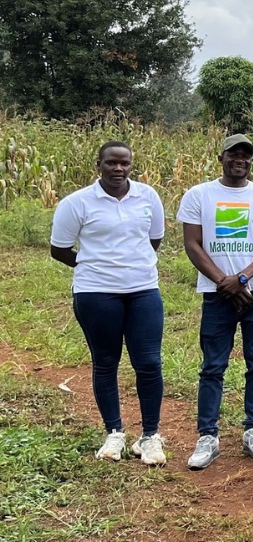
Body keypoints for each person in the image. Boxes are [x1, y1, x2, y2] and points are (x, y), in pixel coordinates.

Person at [50, 141, 168, 465]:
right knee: (105, 361)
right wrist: (94, 265)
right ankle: (114, 433)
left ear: (132, 165)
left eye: (124, 163)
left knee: (149, 362)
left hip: (143, 290)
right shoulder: (78, 203)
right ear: (98, 164)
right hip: (95, 293)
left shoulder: (148, 198)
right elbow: (59, 249)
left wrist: (130, 265)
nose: (118, 168)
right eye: (111, 163)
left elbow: (153, 239)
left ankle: (150, 436)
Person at [178, 134, 253, 470]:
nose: (240, 160)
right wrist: (222, 281)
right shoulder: (199, 195)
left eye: (246, 156)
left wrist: (240, 278)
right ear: (220, 157)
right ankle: (207, 436)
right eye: (234, 154)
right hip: (215, 294)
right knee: (212, 366)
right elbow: (193, 245)